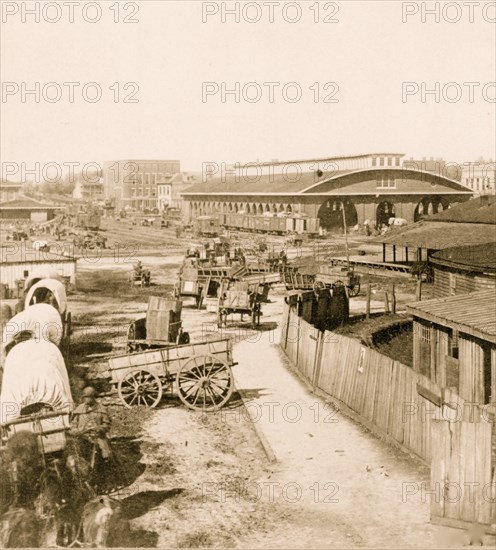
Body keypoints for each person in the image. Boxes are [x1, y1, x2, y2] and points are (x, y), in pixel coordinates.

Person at [70, 386, 111, 460]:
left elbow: (107, 425)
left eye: (88, 397)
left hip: (97, 437)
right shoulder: (79, 409)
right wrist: (76, 430)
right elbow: (73, 423)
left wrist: (99, 428)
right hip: (82, 436)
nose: (85, 399)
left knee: (106, 454)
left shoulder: (102, 409)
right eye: (84, 397)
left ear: (93, 397)